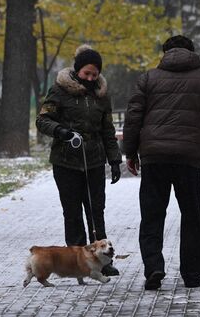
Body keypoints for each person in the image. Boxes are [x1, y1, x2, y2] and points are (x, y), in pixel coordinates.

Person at [122, 35, 200, 290]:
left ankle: (154, 268)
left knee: (152, 215)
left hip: (155, 156)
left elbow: (134, 116)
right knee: (192, 215)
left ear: (165, 52)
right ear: (191, 51)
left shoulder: (148, 78)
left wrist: (130, 152)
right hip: (190, 157)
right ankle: (192, 274)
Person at [36, 44, 122, 277]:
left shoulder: (101, 96)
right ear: (77, 70)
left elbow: (107, 129)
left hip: (94, 160)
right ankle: (77, 261)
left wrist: (114, 160)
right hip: (66, 161)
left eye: (95, 74)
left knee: (96, 210)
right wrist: (61, 131)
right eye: (87, 73)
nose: (91, 78)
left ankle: (102, 260)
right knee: (72, 212)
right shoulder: (59, 91)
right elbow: (43, 121)